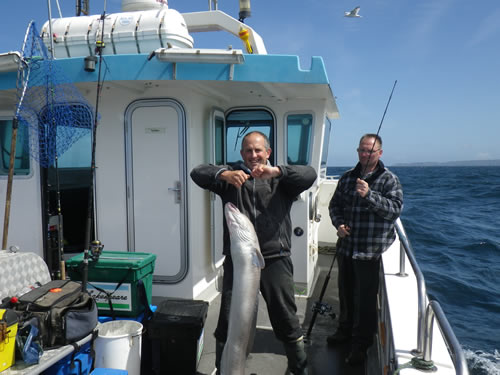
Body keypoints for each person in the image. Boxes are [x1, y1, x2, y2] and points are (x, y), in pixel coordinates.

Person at [191, 131, 316, 375]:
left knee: (285, 316)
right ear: (242, 154)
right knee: (229, 317)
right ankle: (223, 367)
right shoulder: (232, 178)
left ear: (268, 153)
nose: (253, 155)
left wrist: (277, 171)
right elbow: (197, 172)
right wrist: (224, 174)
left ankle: (299, 368)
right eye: (248, 150)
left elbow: (309, 174)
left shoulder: (283, 181)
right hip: (239, 262)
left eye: (258, 150)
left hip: (275, 258)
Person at [328, 133, 403, 365]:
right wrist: (338, 225)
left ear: (379, 153)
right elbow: (335, 206)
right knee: (346, 293)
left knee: (366, 300)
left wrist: (369, 195)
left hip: (370, 251)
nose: (365, 154)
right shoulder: (348, 177)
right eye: (361, 150)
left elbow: (395, 210)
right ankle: (344, 331)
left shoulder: (389, 179)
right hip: (347, 247)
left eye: (370, 151)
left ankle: (361, 345)